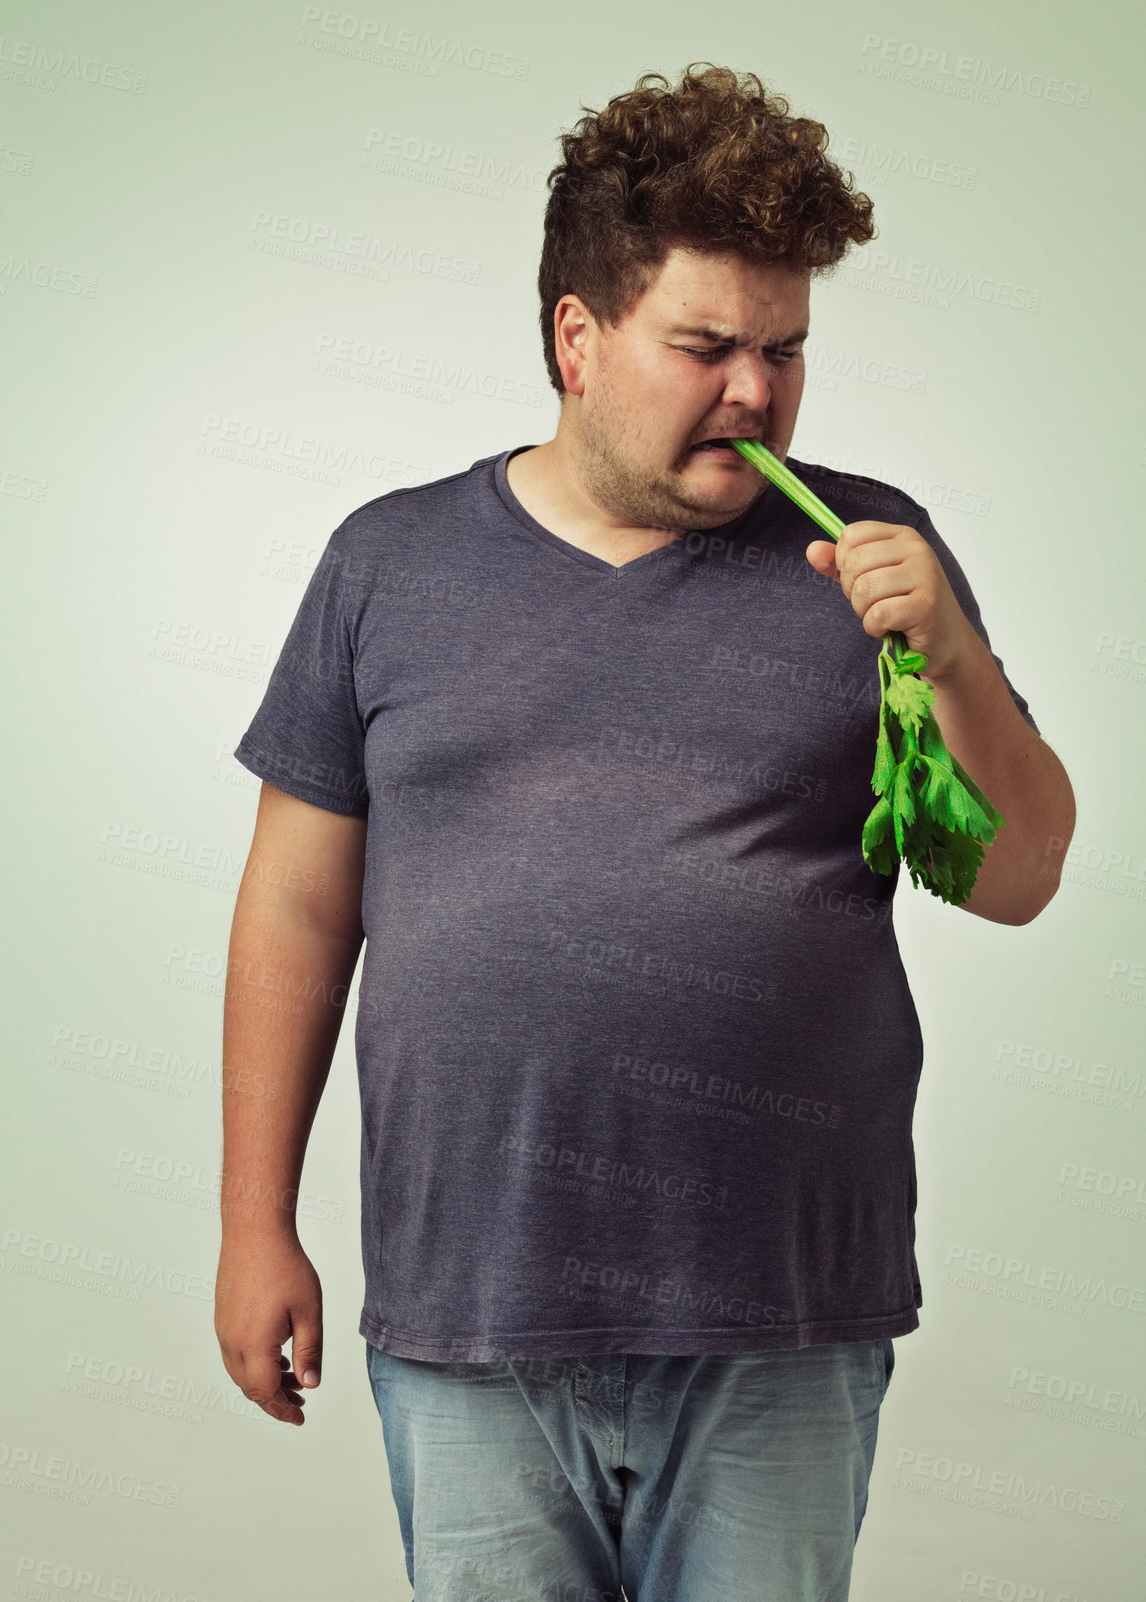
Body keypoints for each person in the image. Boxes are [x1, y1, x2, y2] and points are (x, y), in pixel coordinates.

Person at [214, 62, 1076, 1602]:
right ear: (577, 335)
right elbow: (293, 907)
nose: (758, 393)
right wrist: (252, 1221)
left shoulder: (874, 559)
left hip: (778, 1325)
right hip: (473, 1311)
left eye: (787, 350)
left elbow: (1013, 874)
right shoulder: (386, 563)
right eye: (707, 347)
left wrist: (947, 651)